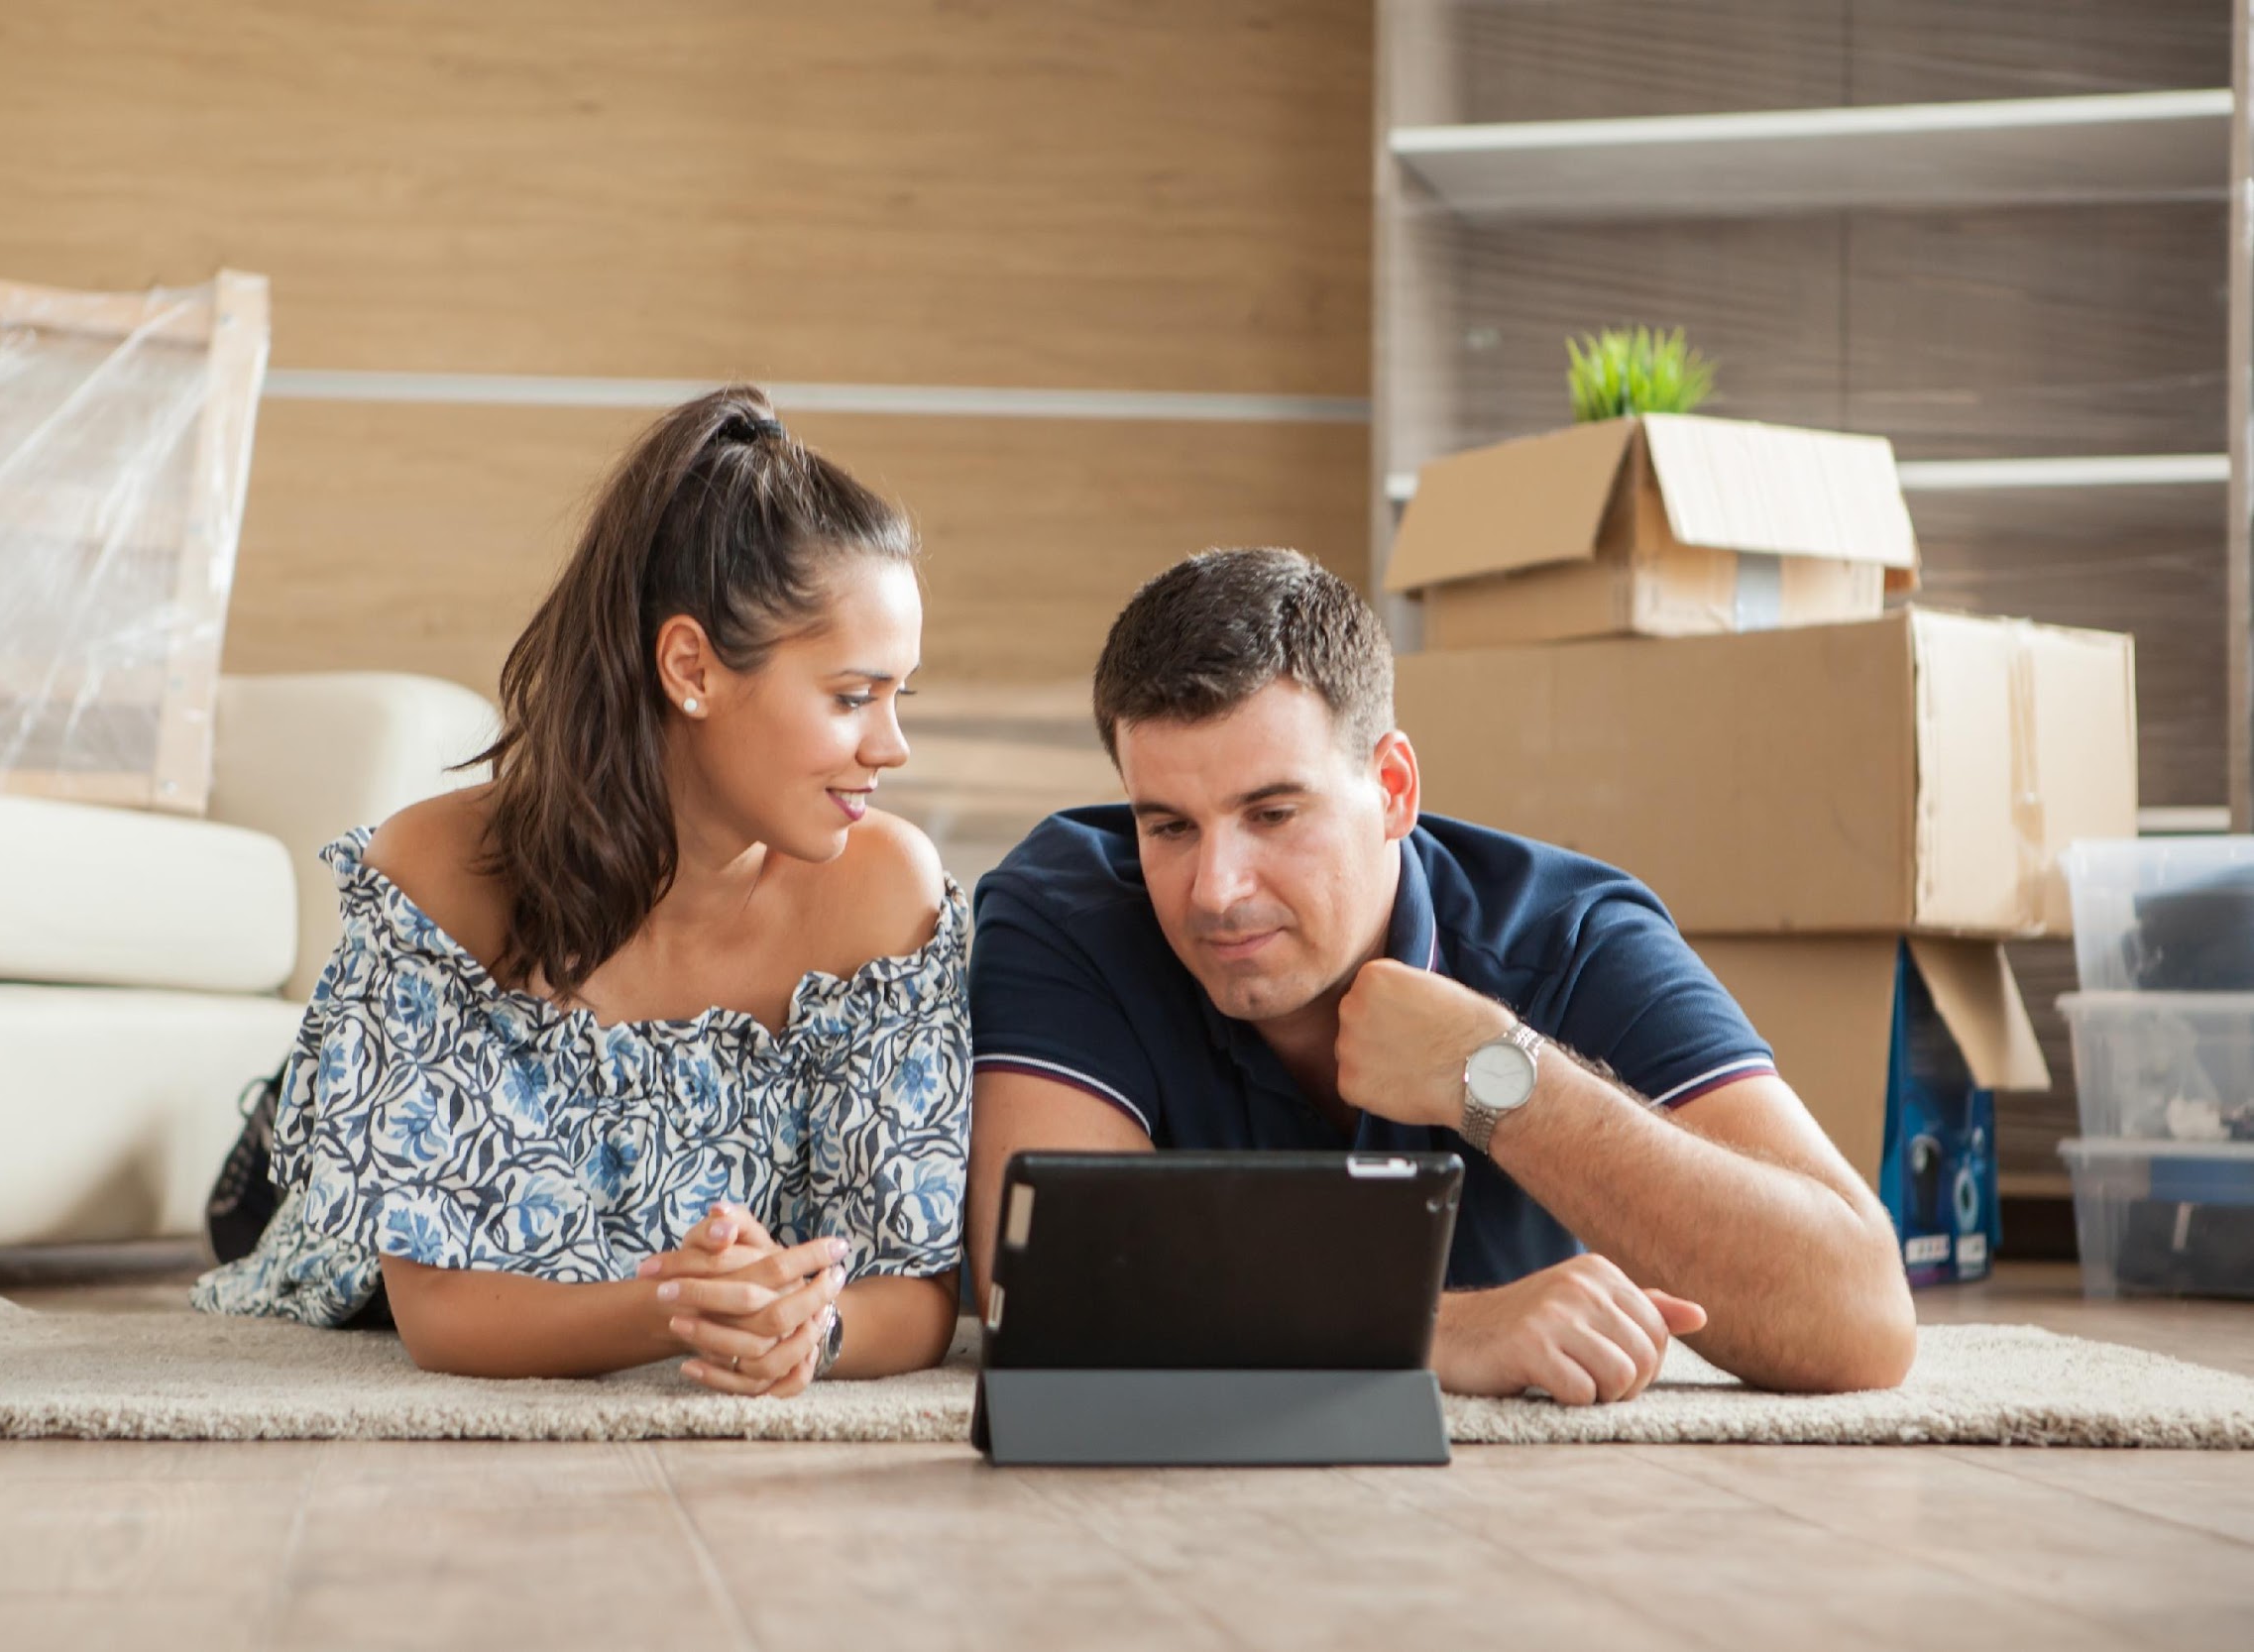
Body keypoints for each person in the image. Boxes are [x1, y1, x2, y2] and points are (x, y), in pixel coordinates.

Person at [965, 547, 1919, 1405]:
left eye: (1273, 814)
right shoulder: (1069, 912)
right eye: (1168, 825)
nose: (1215, 890)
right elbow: (1045, 1285)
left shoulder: (1569, 934)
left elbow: (1860, 1315)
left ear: (1393, 790)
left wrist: (1495, 1074)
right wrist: (1440, 1329)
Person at [194, 387, 969, 1397]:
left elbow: (916, 1289)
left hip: (649, 1270)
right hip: (311, 1207)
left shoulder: (884, 889)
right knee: (267, 1209)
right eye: (852, 696)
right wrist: (695, 1307)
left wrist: (804, 1331)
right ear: (691, 666)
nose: (891, 744)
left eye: (900, 695)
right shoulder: (440, 874)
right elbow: (440, 1312)